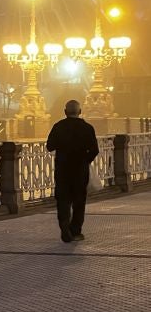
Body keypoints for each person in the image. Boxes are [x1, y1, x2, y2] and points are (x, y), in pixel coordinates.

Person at [46, 100, 99, 243]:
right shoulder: (87, 128)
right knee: (79, 201)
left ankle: (64, 226)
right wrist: (85, 160)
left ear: (65, 112)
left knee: (63, 199)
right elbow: (94, 150)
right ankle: (75, 231)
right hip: (80, 171)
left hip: (62, 170)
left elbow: (49, 146)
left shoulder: (58, 127)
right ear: (80, 111)